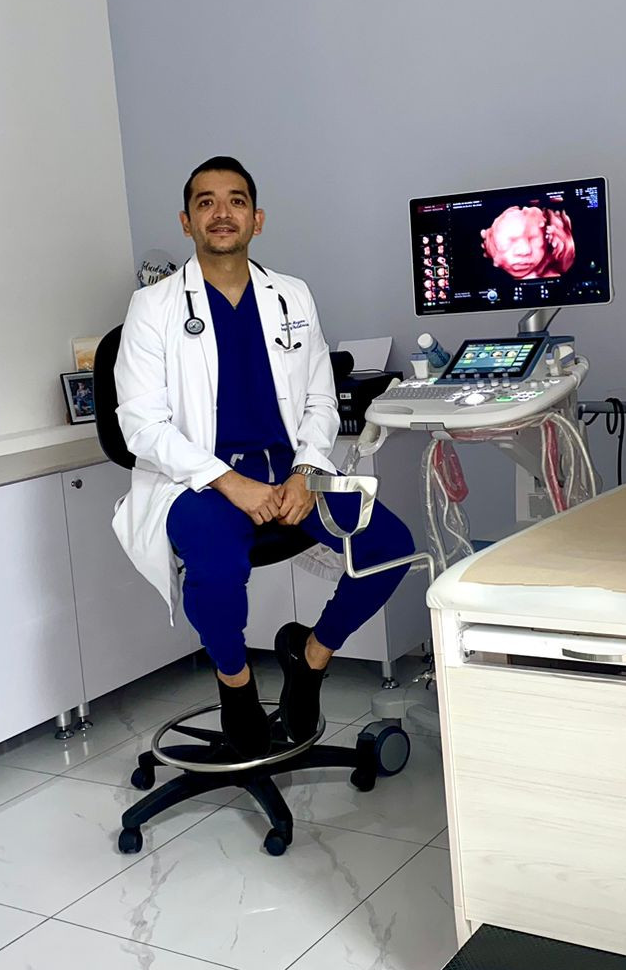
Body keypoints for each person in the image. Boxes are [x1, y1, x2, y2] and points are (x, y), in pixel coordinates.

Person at [112, 156, 415, 759]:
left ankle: (311, 657)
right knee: (217, 567)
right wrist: (229, 481)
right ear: (186, 221)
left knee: (388, 548)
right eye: (205, 202)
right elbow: (141, 425)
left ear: (258, 218)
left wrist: (306, 470)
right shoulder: (153, 307)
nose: (221, 213)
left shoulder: (291, 296)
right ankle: (237, 684)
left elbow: (321, 399)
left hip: (291, 475)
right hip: (198, 482)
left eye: (236, 200)